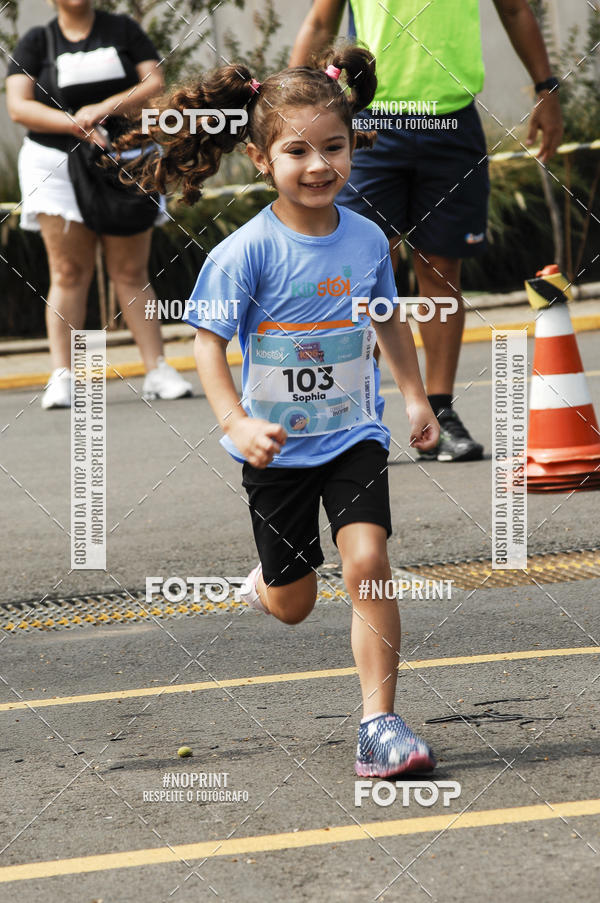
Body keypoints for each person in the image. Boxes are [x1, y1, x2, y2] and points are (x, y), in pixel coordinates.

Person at [118, 46, 440, 777]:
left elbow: (387, 318)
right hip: (277, 450)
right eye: (298, 151)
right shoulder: (245, 252)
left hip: (354, 435)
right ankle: (266, 581)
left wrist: (415, 395)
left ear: (353, 145)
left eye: (335, 146)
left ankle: (379, 724)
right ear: (262, 159)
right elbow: (207, 344)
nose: (319, 165)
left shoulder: (367, 238)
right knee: (293, 603)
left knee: (368, 563)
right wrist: (235, 422)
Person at [291, 0, 564, 461]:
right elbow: (320, 22)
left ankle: (439, 413)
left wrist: (546, 88)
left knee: (441, 269)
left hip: (451, 121)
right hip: (371, 117)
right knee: (361, 273)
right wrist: (286, 109)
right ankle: (348, 418)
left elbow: (516, 10)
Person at [5, 0, 192, 408]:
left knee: (130, 270)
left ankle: (158, 369)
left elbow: (153, 83)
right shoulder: (37, 40)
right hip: (53, 164)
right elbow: (19, 106)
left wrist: (102, 110)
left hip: (125, 158)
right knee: (68, 271)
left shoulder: (123, 29)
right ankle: (64, 375)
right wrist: (75, 124)